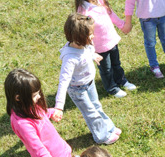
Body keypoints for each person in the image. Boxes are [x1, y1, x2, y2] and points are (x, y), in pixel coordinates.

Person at [51, 13, 120, 145]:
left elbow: (86, 51)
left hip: (89, 83)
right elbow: (63, 82)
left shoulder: (83, 45)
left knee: (97, 106)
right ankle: (102, 137)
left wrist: (93, 56)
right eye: (90, 34)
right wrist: (59, 107)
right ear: (79, 37)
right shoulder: (70, 58)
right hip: (78, 90)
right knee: (91, 113)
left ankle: (109, 128)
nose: (93, 36)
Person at [73, 0, 137, 98]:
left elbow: (110, 13)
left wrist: (122, 25)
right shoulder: (83, 12)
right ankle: (112, 88)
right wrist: (91, 51)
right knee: (106, 69)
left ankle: (121, 80)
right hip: (99, 47)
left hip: (111, 40)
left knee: (116, 64)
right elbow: (84, 33)